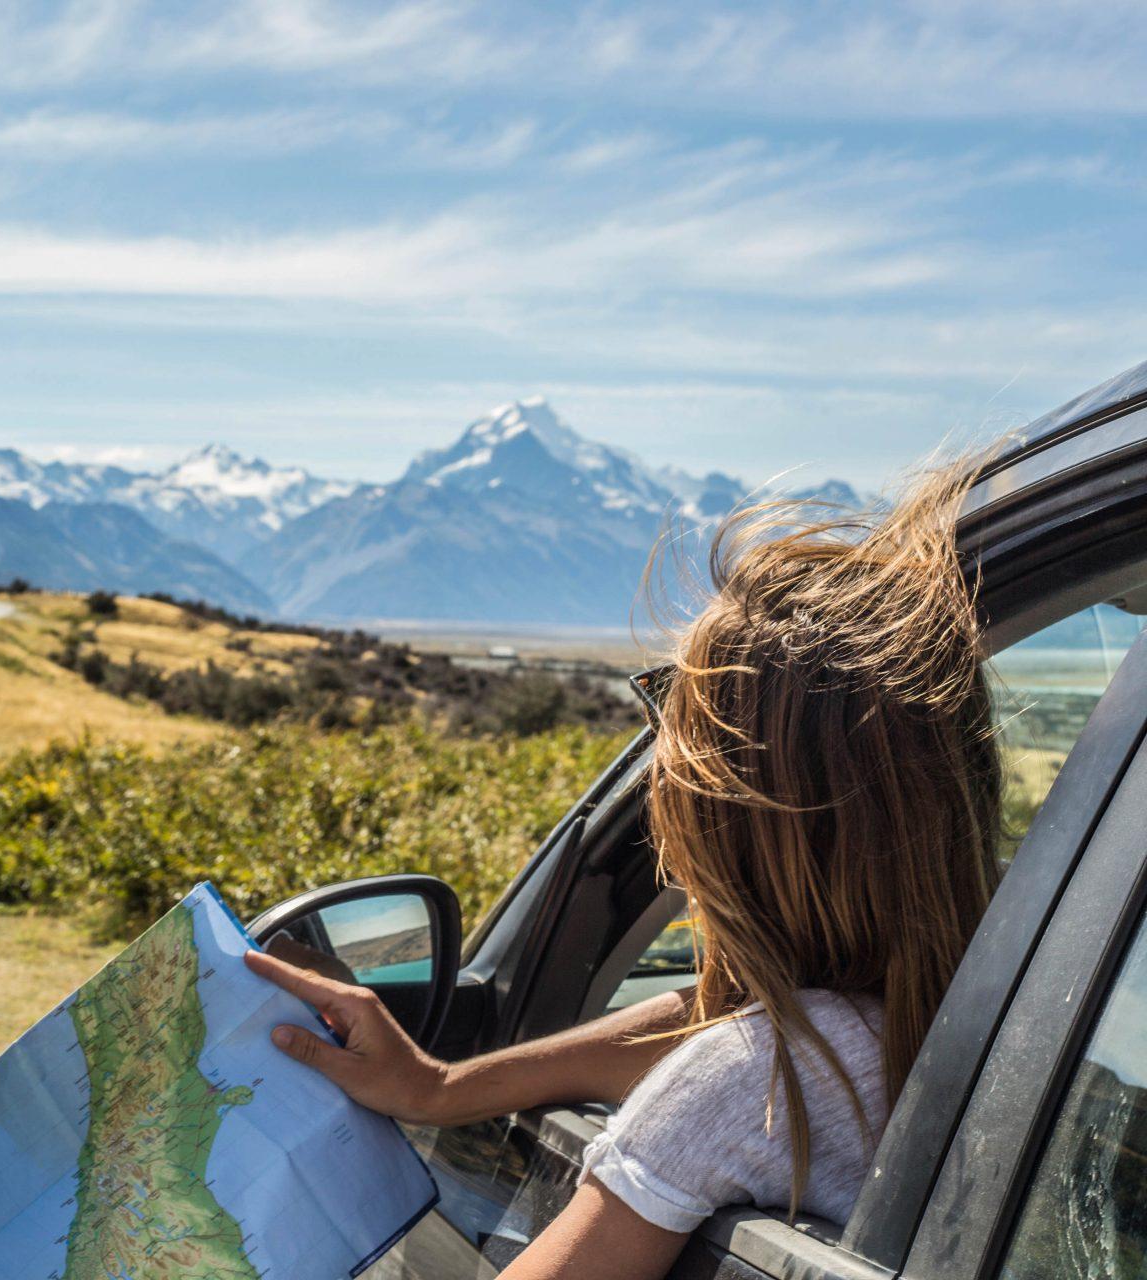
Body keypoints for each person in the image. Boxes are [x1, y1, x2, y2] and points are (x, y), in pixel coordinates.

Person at [247, 460, 1003, 1279]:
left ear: (720, 820)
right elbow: (708, 1024)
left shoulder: (751, 1082)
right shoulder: (978, 1020)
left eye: (668, 735)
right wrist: (439, 1089)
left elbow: (734, 1059)